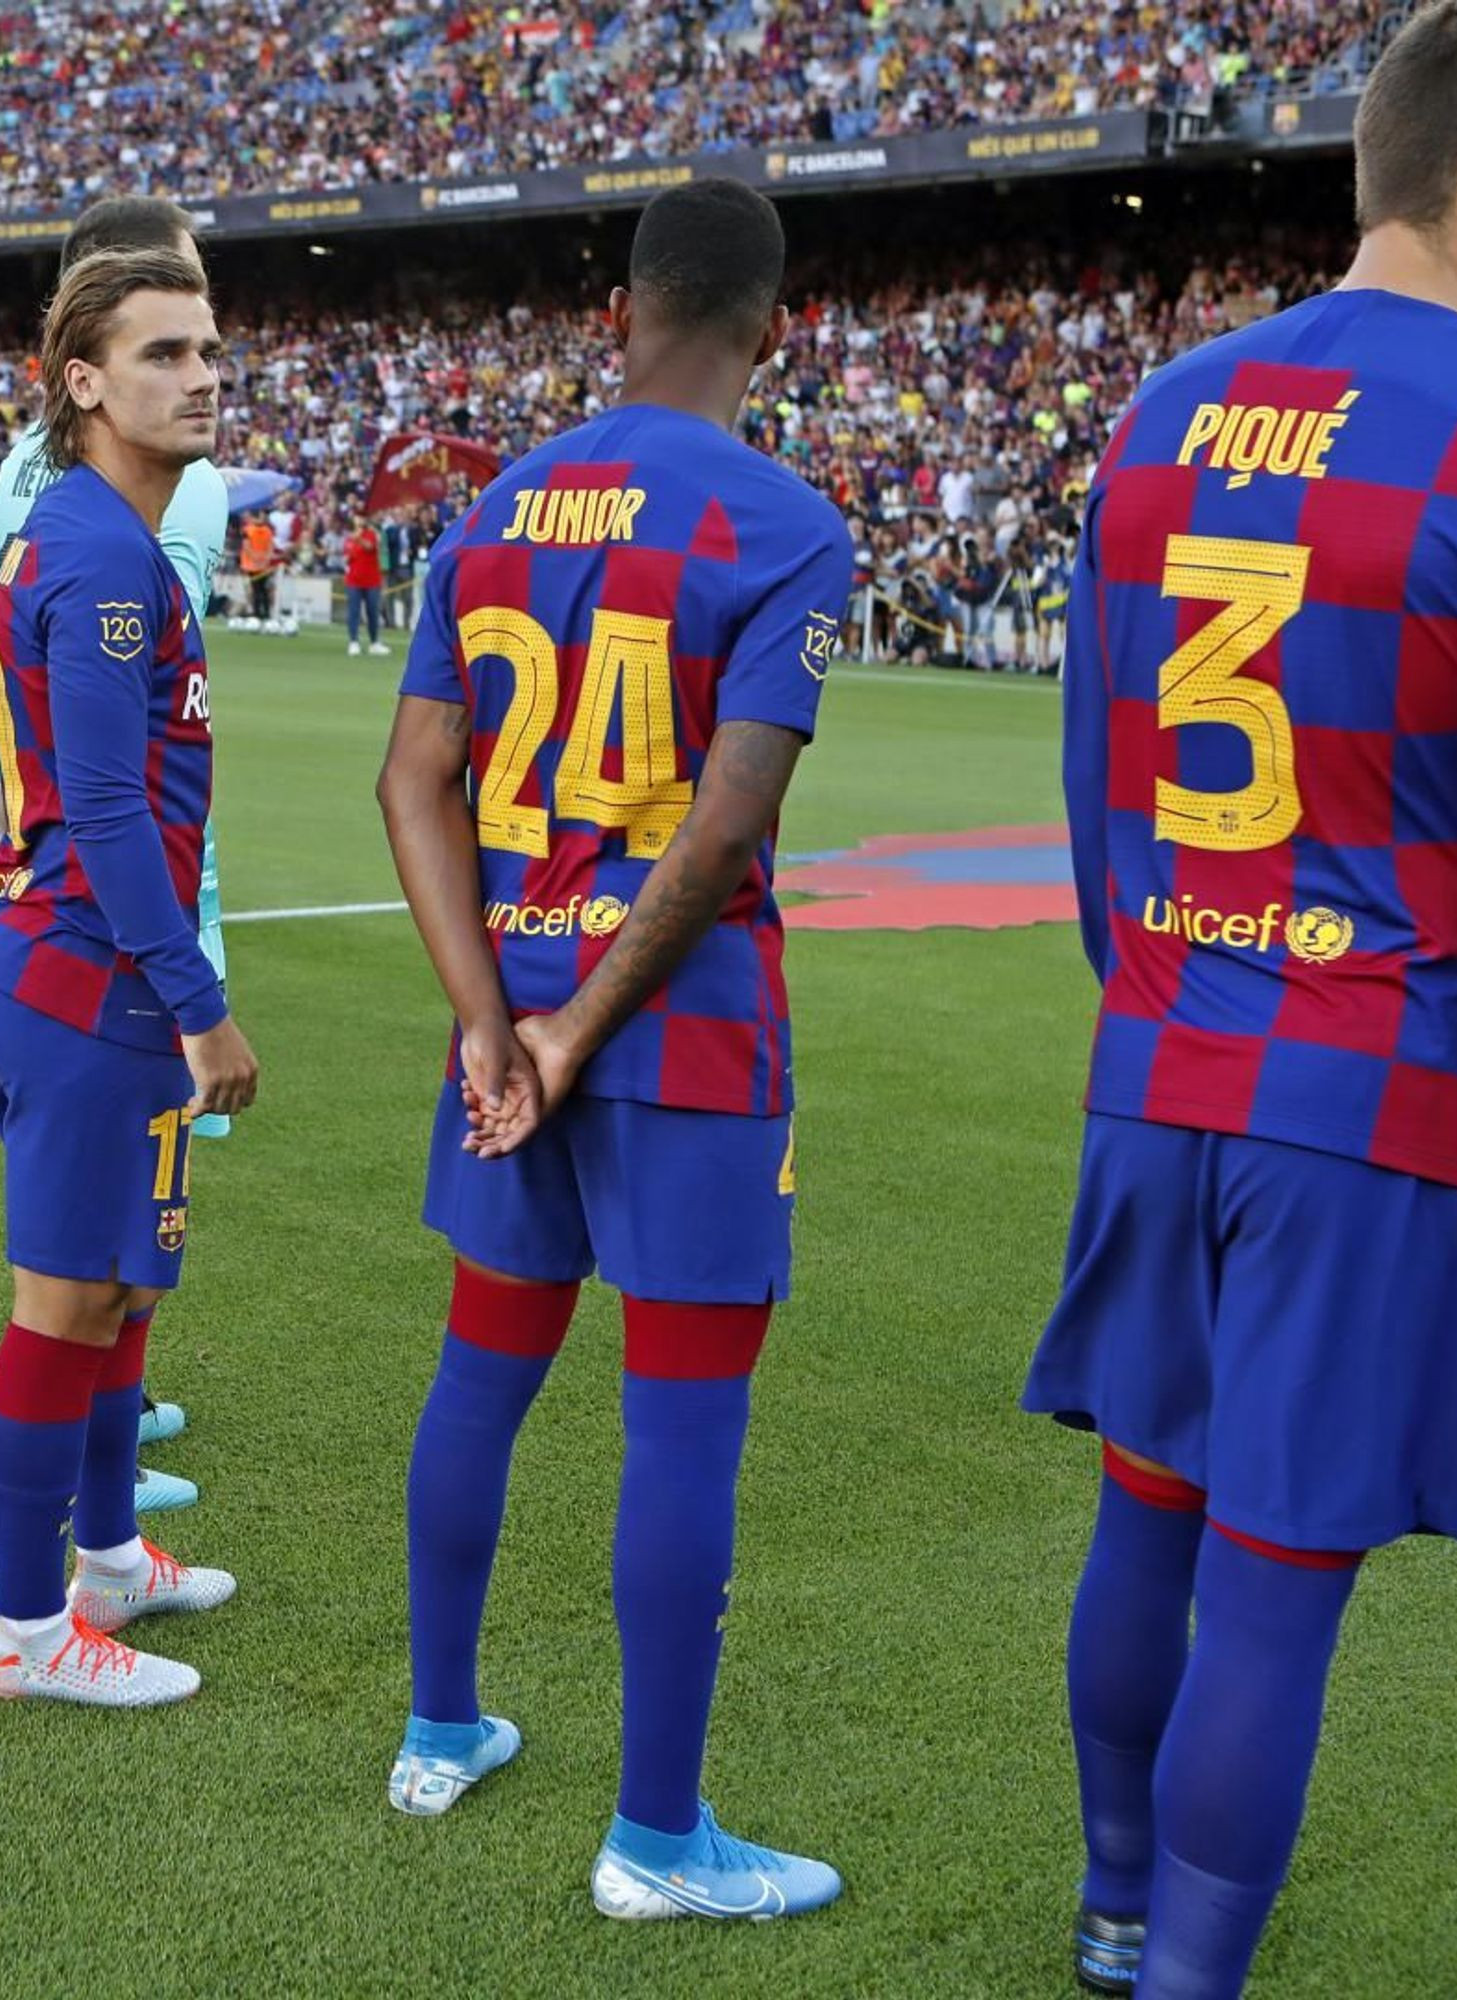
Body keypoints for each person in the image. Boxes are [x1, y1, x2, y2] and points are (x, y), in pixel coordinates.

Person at [1019, 4, 1457, 1993]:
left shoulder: (1160, 413)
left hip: (1164, 1054)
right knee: (1281, 1571)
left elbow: (1091, 784)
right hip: (1373, 1089)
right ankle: (1187, 1974)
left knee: (1147, 1507)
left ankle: (1114, 1900)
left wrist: (1157, 1007)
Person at [376, 179, 851, 1922]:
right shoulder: (786, 518)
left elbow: (407, 780)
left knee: (482, 1370)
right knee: (683, 1427)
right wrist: (580, 1025)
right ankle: (656, 1841)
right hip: (685, 1035)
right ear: (771, 330)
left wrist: (502, 1026)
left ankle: (439, 1728)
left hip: (510, 1029)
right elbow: (724, 830)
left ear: (620, 308)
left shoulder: (494, 508)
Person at [0, 245, 252, 1708]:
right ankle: (28, 1634)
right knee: (64, 1304)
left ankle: (109, 1555)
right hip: (87, 975)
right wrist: (200, 1005)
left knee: (126, 1298)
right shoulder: (101, 553)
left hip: (81, 961)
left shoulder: (87, 535)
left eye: (207, 350)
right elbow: (105, 804)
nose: (203, 376)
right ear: (83, 384)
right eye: (164, 354)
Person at [342, 513, 387, 655]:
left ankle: (374, 642)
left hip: (372, 580)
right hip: (354, 580)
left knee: (372, 612)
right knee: (353, 612)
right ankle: (353, 641)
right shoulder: (349, 538)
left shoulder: (370, 534)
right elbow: (347, 556)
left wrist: (359, 539)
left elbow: (369, 547)